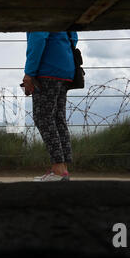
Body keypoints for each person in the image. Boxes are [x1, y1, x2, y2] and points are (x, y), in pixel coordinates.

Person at [22, 31, 78, 181]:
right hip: (66, 69)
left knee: (43, 117)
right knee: (58, 119)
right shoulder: (63, 10)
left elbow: (38, 38)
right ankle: (63, 170)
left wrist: (29, 73)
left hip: (47, 70)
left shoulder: (41, 10)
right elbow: (74, 36)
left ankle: (58, 170)